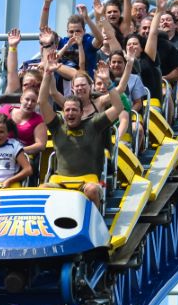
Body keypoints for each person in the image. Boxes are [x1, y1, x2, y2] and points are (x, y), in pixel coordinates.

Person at [38, 49, 126, 208]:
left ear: (81, 112)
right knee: (42, 189)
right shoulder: (57, 125)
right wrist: (47, 73)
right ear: (63, 112)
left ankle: (96, 221)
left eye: (74, 110)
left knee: (92, 190)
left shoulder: (93, 123)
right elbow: (43, 102)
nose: (70, 113)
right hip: (60, 181)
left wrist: (107, 82)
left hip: (88, 180)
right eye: (67, 110)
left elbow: (118, 107)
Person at [0, 88, 48, 157]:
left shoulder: (38, 120)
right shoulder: (5, 110)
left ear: (36, 104)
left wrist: (17, 151)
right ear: (21, 99)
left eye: (33, 101)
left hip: (22, 156)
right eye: (27, 99)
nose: (29, 103)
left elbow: (41, 145)